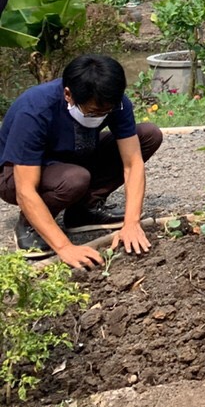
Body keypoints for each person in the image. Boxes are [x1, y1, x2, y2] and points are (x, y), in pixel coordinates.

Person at [0, 54, 161, 267]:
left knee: (148, 135)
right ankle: (30, 225)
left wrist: (132, 223)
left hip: (74, 155)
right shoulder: (35, 110)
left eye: (107, 111)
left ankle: (83, 211)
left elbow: (132, 163)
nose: (101, 115)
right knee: (75, 179)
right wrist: (64, 247)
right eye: (94, 112)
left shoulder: (115, 103)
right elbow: (25, 190)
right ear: (68, 94)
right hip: (15, 174)